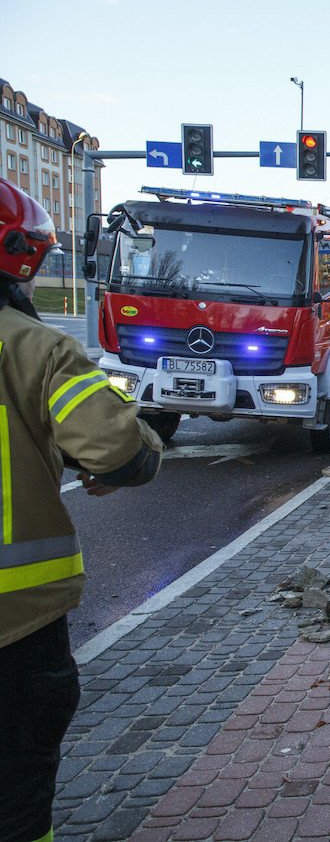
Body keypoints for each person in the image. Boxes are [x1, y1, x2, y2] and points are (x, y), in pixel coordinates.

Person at [0, 179, 163, 842]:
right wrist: (108, 459)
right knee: (17, 789)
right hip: (15, 627)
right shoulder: (32, 347)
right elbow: (118, 447)